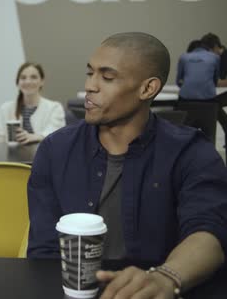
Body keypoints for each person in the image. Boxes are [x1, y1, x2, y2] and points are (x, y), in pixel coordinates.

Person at [27, 32, 227, 298]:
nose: (90, 86)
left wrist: (166, 278)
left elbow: (209, 234)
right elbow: (44, 250)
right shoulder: (54, 150)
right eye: (90, 73)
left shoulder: (191, 153)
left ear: (148, 88)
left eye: (107, 77)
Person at [0, 62, 65, 144]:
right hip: (11, 156)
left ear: (42, 81)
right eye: (23, 78)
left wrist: (36, 137)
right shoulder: (5, 108)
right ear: (18, 83)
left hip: (43, 156)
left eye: (34, 77)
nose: (28, 82)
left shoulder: (54, 108)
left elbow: (57, 136)